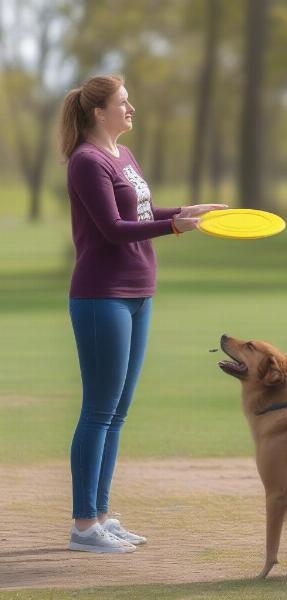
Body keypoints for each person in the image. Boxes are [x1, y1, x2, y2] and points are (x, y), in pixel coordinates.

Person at [59, 74, 227, 553]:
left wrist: (187, 212)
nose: (131, 109)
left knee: (118, 412)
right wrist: (175, 226)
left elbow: (141, 210)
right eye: (123, 103)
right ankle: (83, 525)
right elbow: (113, 228)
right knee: (97, 409)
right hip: (101, 296)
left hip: (138, 292)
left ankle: (102, 515)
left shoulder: (122, 156)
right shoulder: (87, 162)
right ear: (98, 112)